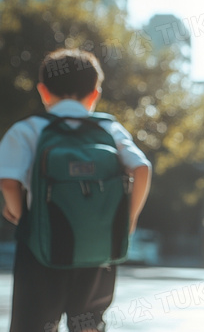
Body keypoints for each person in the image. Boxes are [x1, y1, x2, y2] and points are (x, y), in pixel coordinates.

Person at [0, 49, 152, 332]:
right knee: (89, 323)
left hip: (40, 249)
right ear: (95, 94)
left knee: (33, 324)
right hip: (98, 248)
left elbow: (8, 181)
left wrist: (23, 216)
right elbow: (142, 168)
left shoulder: (29, 129)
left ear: (44, 92)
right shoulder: (110, 128)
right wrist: (128, 220)